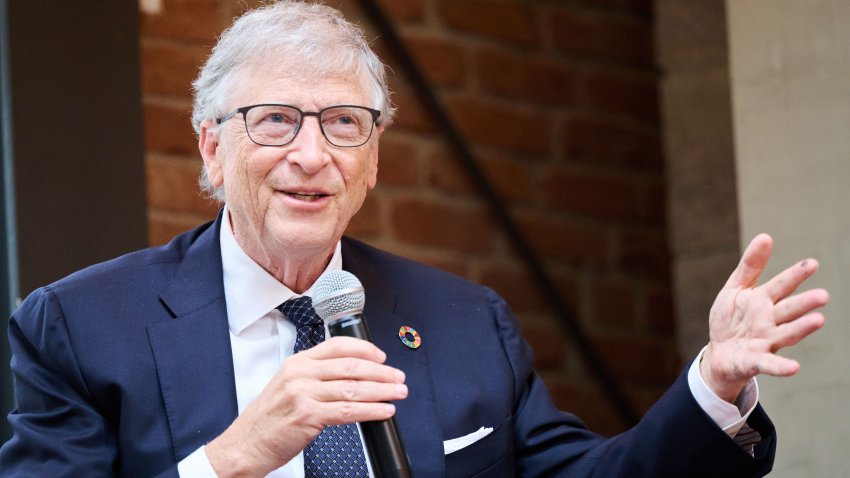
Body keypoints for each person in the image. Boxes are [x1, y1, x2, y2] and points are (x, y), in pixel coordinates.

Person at [0, 2, 828, 477]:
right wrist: (234, 457)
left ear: (372, 160)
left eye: (344, 124)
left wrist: (714, 387)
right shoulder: (81, 326)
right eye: (276, 120)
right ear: (213, 146)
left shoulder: (466, 323)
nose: (312, 153)